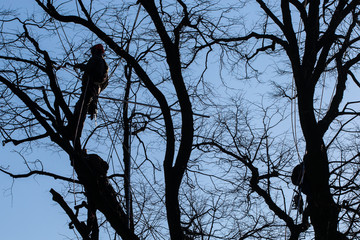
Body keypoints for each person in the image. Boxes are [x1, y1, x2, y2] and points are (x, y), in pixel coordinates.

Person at [71, 44, 108, 139]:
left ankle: (74, 133)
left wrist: (82, 66)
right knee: (80, 107)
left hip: (91, 87)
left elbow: (94, 71)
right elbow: (105, 83)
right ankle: (74, 131)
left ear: (95, 51)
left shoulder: (97, 59)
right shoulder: (102, 62)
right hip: (93, 89)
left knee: (81, 108)